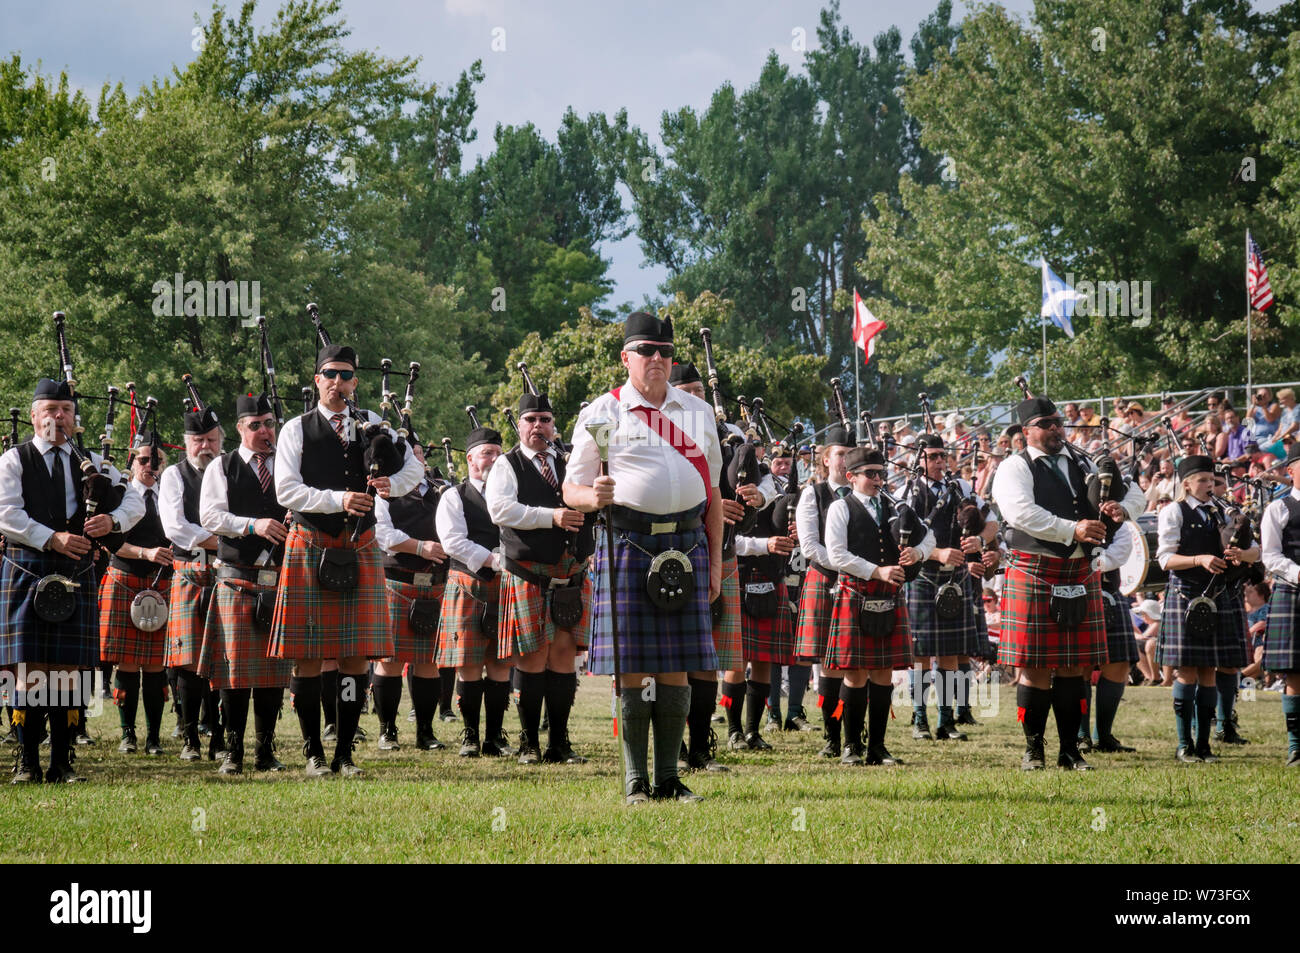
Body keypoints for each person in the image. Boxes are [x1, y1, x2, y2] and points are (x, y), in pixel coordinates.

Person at [563, 311, 724, 805]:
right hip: (627, 545)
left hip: (688, 543)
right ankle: (636, 780)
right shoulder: (602, 413)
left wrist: (716, 563)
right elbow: (571, 489)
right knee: (633, 667)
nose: (657, 360)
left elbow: (713, 493)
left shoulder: (696, 413)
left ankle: (670, 778)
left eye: (665, 352)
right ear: (626, 357)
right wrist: (595, 498)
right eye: (646, 351)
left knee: (678, 667)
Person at [270, 343, 423, 777]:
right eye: (330, 374)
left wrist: (392, 485)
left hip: (360, 546)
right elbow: (286, 490)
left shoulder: (374, 425)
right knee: (307, 656)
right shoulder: (296, 429)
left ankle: (345, 755)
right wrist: (339, 498)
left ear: (356, 382)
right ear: (317, 380)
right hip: (311, 542)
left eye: (346, 375)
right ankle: (313, 750)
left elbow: (413, 468)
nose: (338, 383)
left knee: (356, 656)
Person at [991, 395, 1146, 771]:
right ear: (1026, 431)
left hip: (1080, 572)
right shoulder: (1015, 467)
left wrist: (1121, 510)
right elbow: (1020, 513)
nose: (1056, 428)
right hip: (1035, 571)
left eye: (1058, 421)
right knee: (1035, 668)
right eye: (1046, 423)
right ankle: (1034, 750)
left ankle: (1070, 750)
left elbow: (1136, 494)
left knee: (1075, 667)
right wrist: (1072, 528)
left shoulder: (1083, 462)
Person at [1, 378, 143, 783]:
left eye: (65, 410)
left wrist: (112, 521)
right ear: (33, 416)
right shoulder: (14, 460)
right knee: (29, 671)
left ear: (74, 418)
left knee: (70, 672)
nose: (57, 417)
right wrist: (53, 538)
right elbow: (6, 513)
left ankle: (62, 762)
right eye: (49, 410)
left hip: (76, 574)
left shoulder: (93, 464)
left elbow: (134, 499)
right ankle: (27, 761)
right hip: (28, 570)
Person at [486, 390, 595, 765]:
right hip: (528, 572)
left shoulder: (571, 463)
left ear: (554, 425)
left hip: (571, 572)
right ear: (519, 425)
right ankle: (529, 743)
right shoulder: (507, 464)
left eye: (544, 419)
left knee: (564, 656)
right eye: (530, 420)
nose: (538, 426)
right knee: (532, 658)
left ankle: (560, 743)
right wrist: (551, 516)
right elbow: (500, 509)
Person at [196, 394, 293, 774]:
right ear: (240, 429)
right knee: (234, 674)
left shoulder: (288, 465)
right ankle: (233, 753)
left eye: (268, 423)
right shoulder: (222, 467)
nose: (264, 430)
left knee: (272, 673)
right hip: (237, 580)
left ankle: (265, 752)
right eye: (255, 425)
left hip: (278, 579)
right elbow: (210, 516)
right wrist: (254, 525)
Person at [825, 447, 934, 765]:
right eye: (870, 474)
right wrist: (877, 571)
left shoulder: (896, 505)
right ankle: (850, 746)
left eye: (881, 473)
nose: (878, 479)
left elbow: (929, 537)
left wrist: (918, 553)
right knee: (855, 675)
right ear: (851, 477)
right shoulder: (840, 508)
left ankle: (878, 748)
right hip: (856, 592)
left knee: (883, 674)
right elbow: (837, 555)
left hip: (888, 596)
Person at [1154, 455, 1257, 763]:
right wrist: (1199, 559)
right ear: (1186, 484)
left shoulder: (1225, 512)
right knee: (1186, 672)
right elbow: (1164, 559)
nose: (1209, 486)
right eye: (1202, 481)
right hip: (1186, 595)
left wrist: (1243, 554)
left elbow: (1256, 552)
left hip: (1219, 596)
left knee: (1209, 672)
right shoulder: (1174, 511)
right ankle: (1184, 744)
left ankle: (1204, 744)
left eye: (1212, 481)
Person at [899, 435, 997, 742]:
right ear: (919, 460)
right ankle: (919, 720)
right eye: (933, 456)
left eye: (943, 455)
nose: (940, 460)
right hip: (924, 577)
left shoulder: (962, 488)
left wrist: (981, 540)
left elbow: (992, 521)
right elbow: (901, 540)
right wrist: (938, 553)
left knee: (952, 653)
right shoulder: (907, 493)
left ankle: (945, 721)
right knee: (921, 654)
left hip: (957, 579)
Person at [436, 424, 513, 758]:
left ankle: (494, 737)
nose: (493, 459)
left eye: (498, 453)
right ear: (470, 459)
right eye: (487, 453)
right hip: (468, 584)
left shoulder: (513, 493)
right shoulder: (455, 495)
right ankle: (470, 736)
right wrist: (493, 560)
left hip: (506, 585)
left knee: (500, 663)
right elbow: (451, 541)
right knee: (468, 664)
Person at [373, 436, 450, 753]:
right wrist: (421, 547)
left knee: (429, 662)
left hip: (434, 583)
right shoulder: (383, 493)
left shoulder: (442, 492)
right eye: (412, 456)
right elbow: (382, 534)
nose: (420, 460)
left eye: (421, 454)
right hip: (397, 581)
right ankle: (387, 731)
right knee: (389, 660)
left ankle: (426, 732)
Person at [99, 437, 172, 757]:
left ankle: (154, 738)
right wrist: (147, 552)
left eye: (155, 461)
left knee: (156, 665)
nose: (149, 466)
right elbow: (108, 541)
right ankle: (128, 735)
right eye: (143, 460)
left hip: (162, 584)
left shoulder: (170, 496)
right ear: (131, 464)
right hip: (125, 577)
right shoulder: (120, 496)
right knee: (128, 663)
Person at [160, 402, 224, 763]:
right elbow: (175, 528)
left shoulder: (231, 469)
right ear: (187, 443)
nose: (205, 447)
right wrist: (222, 539)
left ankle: (218, 735)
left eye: (211, 439)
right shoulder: (174, 475)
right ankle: (189, 738)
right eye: (198, 440)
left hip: (228, 574)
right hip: (190, 572)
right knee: (186, 661)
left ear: (220, 440)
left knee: (222, 658)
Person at [793, 424, 855, 758]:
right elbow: (810, 546)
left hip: (860, 586)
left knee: (859, 664)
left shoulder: (867, 494)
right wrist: (850, 566)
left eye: (850, 455)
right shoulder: (813, 494)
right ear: (826, 459)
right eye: (840, 455)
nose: (846, 461)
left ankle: (856, 737)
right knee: (831, 663)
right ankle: (833, 738)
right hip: (828, 580)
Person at [1258, 443, 1300, 766]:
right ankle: (1296, 746)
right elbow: (1270, 556)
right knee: (1295, 674)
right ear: (1291, 471)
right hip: (1293, 591)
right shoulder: (1278, 509)